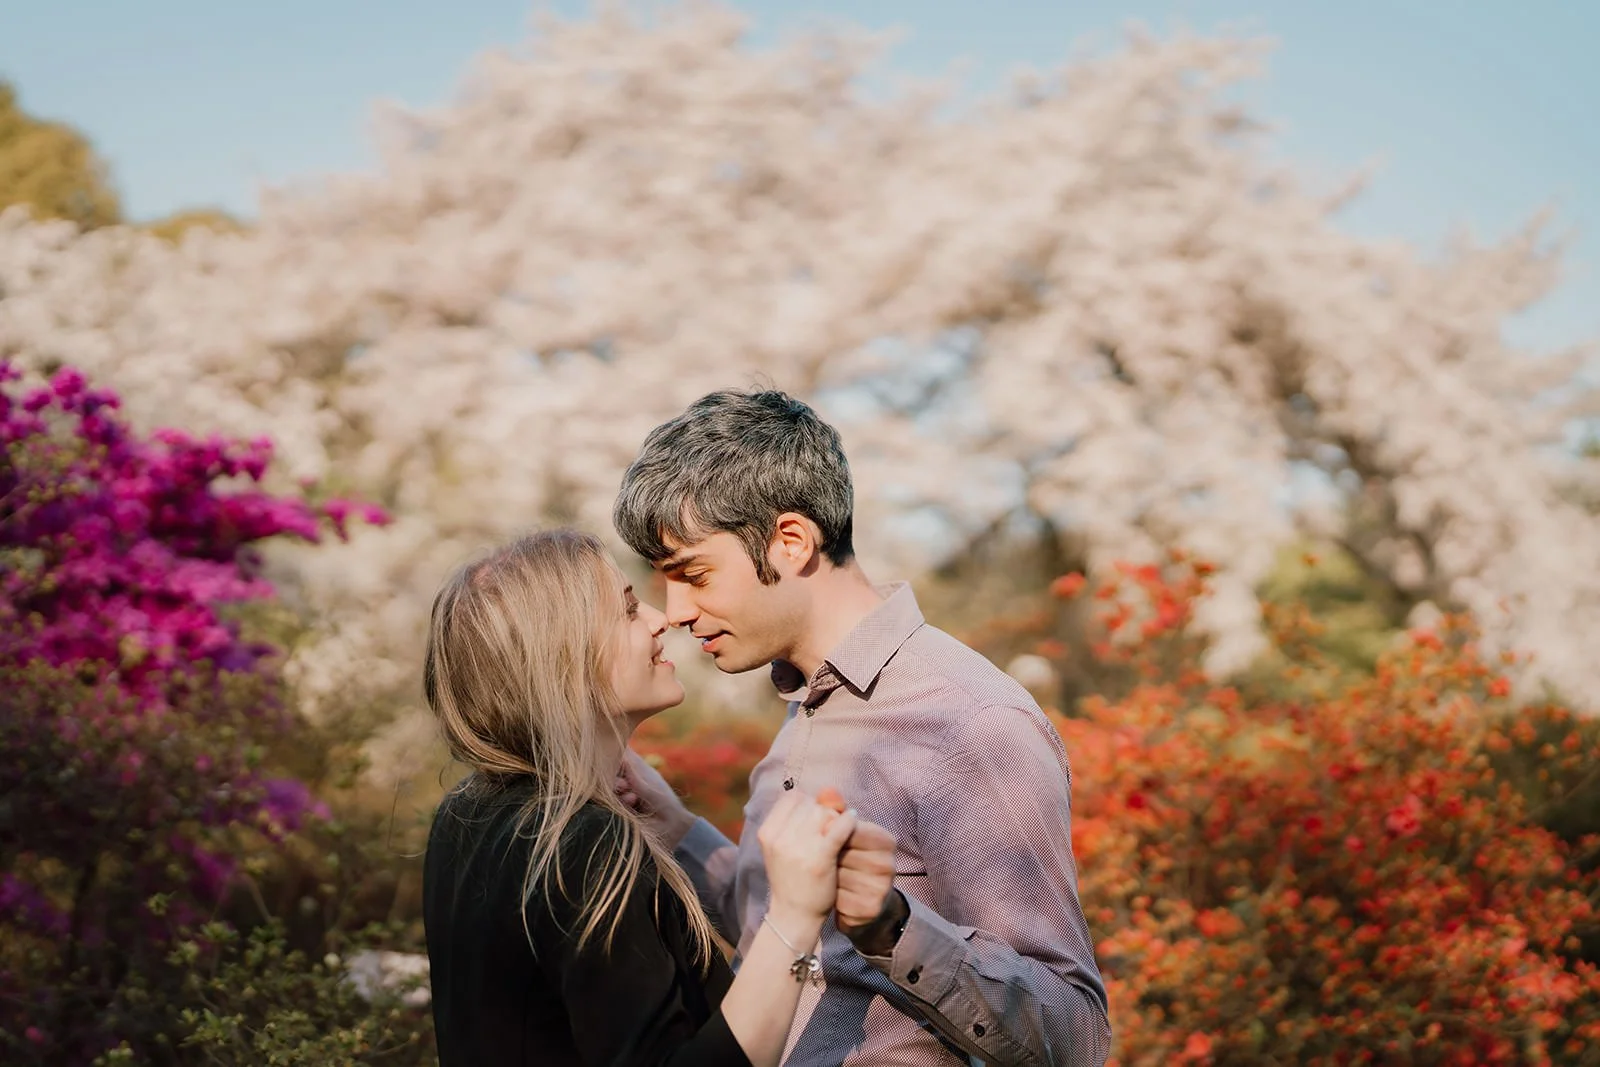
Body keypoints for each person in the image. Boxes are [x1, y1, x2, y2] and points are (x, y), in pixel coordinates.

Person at [613, 389, 1112, 1066]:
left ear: (791, 541)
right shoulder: (806, 701)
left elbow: (1076, 1036)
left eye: (693, 574)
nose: (673, 610)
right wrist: (674, 828)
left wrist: (894, 926)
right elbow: (792, 937)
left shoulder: (972, 721)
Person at [421, 528, 886, 1067]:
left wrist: (677, 826)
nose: (660, 617)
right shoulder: (582, 842)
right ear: (562, 656)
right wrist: (795, 915)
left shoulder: (468, 813)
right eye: (625, 610)